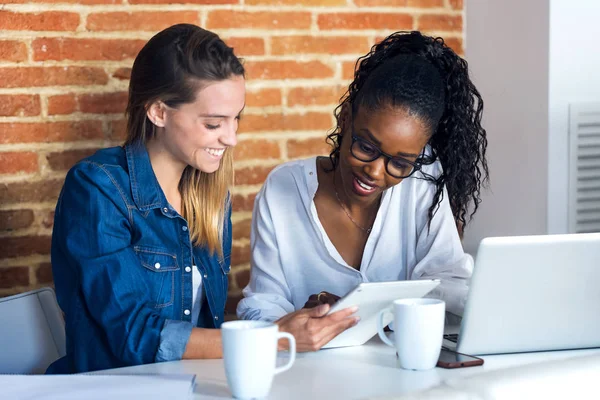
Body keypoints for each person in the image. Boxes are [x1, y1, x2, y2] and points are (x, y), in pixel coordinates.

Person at [237, 31, 489, 351]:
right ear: (345, 121)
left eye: (399, 162)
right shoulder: (283, 189)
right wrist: (301, 322)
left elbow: (451, 286)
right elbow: (261, 304)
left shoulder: (423, 180)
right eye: (366, 146)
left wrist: (363, 311)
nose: (375, 171)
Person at [47, 24, 245, 373]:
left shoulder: (212, 194)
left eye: (236, 119)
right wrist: (266, 338)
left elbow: (206, 325)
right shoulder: (97, 187)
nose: (231, 138)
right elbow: (134, 334)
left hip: (192, 385)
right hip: (111, 389)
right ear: (159, 112)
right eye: (214, 124)